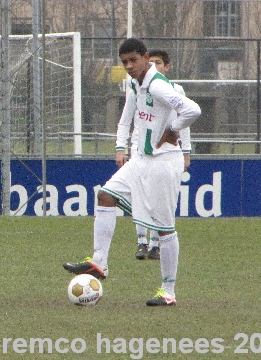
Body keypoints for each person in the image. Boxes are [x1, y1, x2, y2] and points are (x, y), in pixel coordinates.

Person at [63, 38, 201, 306]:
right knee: (106, 195)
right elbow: (130, 119)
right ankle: (99, 262)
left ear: (146, 57)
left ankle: (168, 291)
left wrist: (173, 131)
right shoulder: (135, 84)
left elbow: (192, 109)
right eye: (124, 62)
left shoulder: (158, 84)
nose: (128, 66)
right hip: (141, 160)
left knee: (164, 229)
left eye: (133, 60)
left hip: (163, 163)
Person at [115, 49, 192, 261]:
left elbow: (186, 120)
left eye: (160, 63)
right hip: (139, 149)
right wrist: (120, 147)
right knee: (138, 194)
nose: (155, 66)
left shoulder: (173, 90)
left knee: (160, 204)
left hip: (165, 154)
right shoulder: (135, 86)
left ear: (166, 67)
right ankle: (141, 241)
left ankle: (156, 245)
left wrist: (186, 151)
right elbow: (126, 119)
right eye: (154, 62)